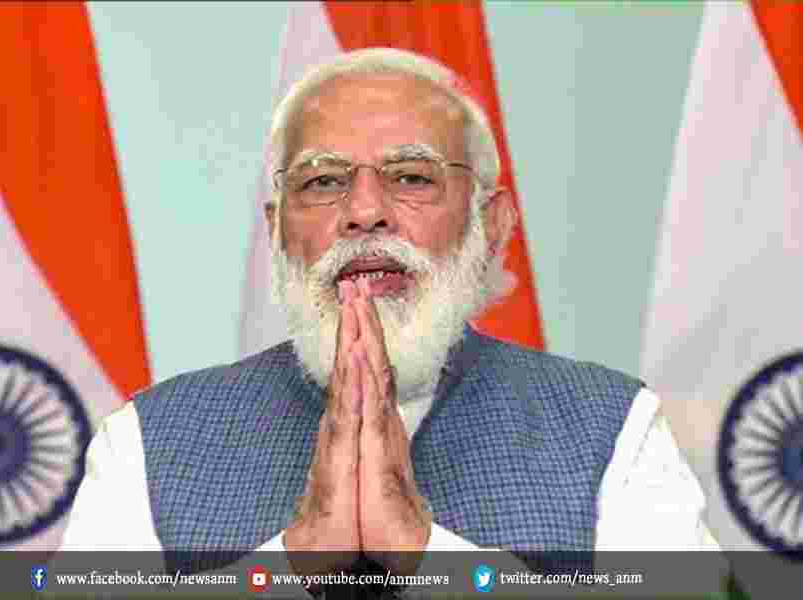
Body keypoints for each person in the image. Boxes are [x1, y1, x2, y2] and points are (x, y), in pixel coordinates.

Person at [59, 48, 716, 575]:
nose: (365, 211)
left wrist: (424, 554)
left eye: (411, 177)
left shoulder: (611, 428)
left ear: (491, 225)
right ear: (277, 229)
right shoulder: (148, 439)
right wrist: (295, 561)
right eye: (323, 181)